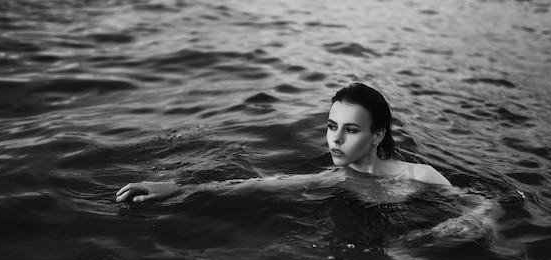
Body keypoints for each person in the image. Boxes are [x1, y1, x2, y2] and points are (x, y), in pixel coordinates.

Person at [116, 83, 451, 203]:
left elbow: (480, 206)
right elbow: (255, 186)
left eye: (351, 130)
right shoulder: (335, 179)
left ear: (377, 135)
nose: (335, 138)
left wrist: (462, 224)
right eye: (332, 126)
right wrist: (177, 189)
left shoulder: (418, 175)